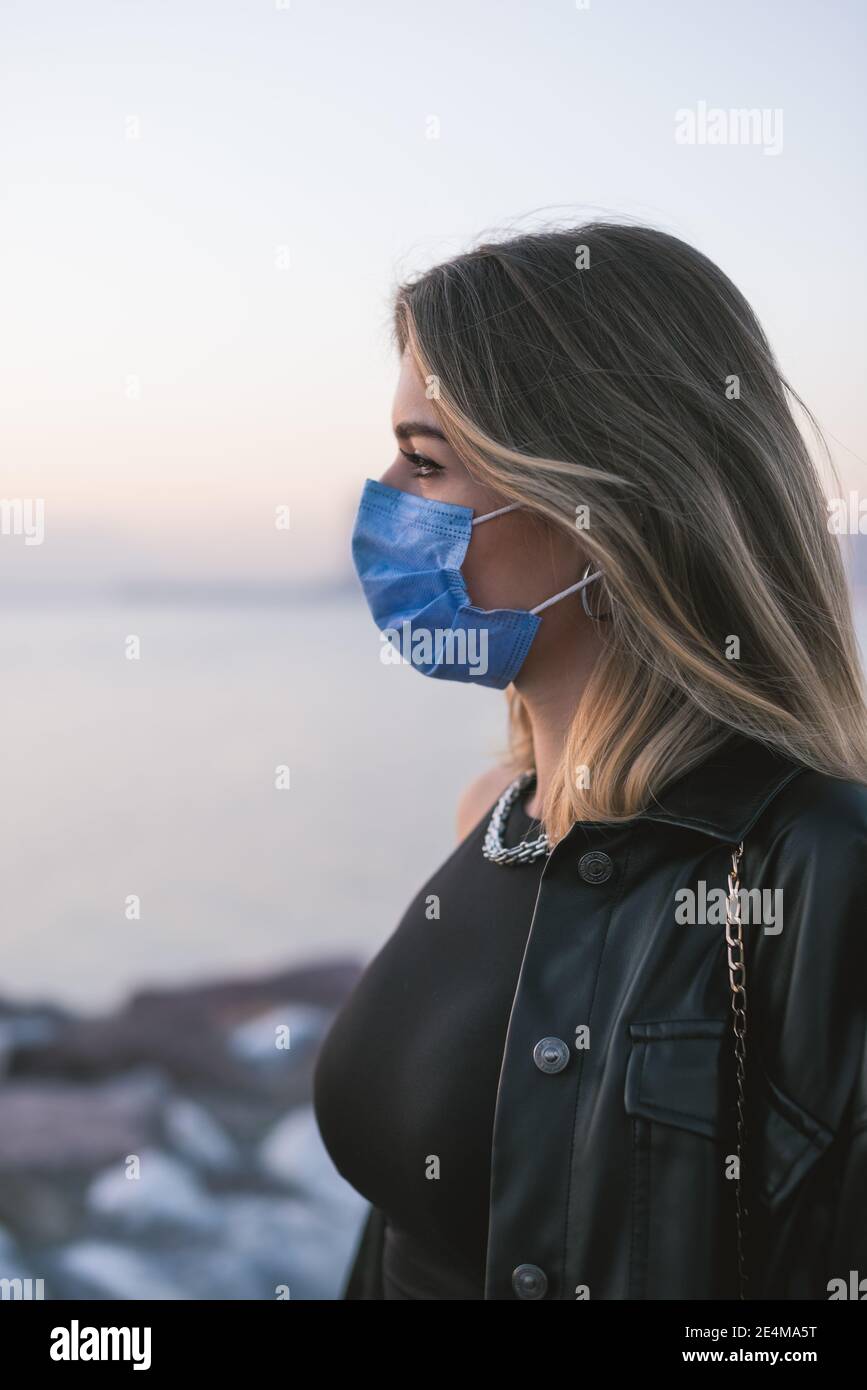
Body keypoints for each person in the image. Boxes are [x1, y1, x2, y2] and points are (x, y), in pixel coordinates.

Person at [312, 221, 867, 1300]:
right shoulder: (493, 811)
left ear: (602, 501)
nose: (383, 497)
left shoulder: (819, 876)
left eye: (424, 459)